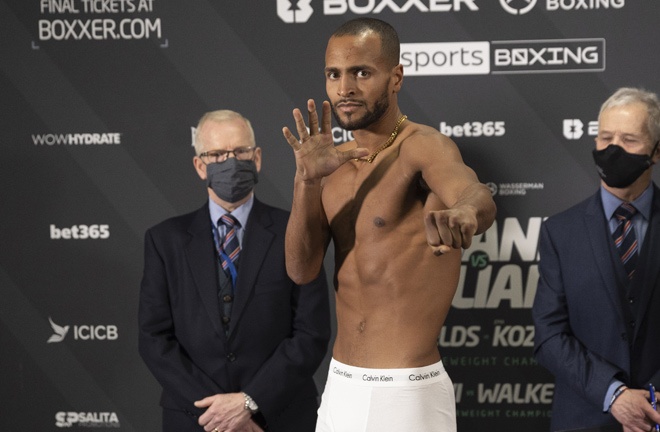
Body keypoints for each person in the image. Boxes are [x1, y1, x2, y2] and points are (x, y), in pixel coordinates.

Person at [281, 18, 496, 432]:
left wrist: (464, 214)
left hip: (407, 393)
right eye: (334, 74)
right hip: (341, 386)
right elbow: (301, 270)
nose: (345, 88)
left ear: (396, 77)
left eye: (362, 72)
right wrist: (305, 182)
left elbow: (475, 194)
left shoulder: (422, 146)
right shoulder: (328, 164)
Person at [139, 110, 331, 432]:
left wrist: (250, 403)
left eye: (240, 152)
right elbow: (153, 338)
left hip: (280, 418)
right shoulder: (164, 240)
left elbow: (311, 332)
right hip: (196, 418)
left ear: (256, 159)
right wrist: (219, 412)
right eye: (216, 154)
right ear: (200, 166)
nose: (230, 161)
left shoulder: (297, 230)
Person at [533, 87, 660, 432]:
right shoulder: (560, 232)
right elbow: (549, 335)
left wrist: (651, 397)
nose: (613, 149)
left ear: (656, 151)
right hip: (585, 418)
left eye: (630, 139)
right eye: (605, 138)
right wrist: (614, 394)